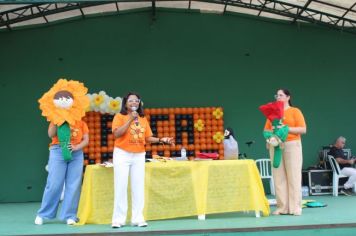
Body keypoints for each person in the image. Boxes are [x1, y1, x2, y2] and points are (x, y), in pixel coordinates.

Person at [111, 92, 174, 228]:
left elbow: (147, 137)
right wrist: (129, 120)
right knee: (120, 186)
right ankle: (118, 219)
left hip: (139, 155)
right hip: (122, 154)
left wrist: (161, 140)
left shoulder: (143, 119)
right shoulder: (119, 116)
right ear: (125, 103)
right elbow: (116, 134)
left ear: (139, 103)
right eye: (131, 101)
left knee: (138, 187)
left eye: (136, 101)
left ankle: (138, 218)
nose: (134, 103)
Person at [35, 121, 89, 225]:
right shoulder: (56, 119)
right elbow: (51, 134)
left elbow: (86, 140)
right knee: (54, 184)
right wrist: (57, 121)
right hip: (58, 150)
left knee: (73, 185)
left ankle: (70, 215)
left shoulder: (81, 122)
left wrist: (76, 147)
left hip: (76, 154)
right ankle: (43, 214)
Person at [264, 89, 306, 216]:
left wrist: (287, 129)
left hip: (292, 145)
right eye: (277, 95)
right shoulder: (273, 113)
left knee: (294, 176)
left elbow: (303, 129)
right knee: (278, 177)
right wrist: (270, 138)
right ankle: (282, 207)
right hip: (275, 145)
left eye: (281, 95)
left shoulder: (295, 111)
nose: (278, 97)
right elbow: (267, 129)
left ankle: (295, 208)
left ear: (288, 97)